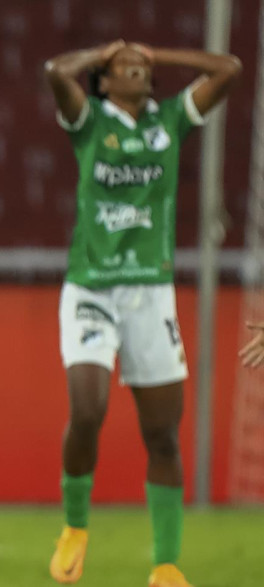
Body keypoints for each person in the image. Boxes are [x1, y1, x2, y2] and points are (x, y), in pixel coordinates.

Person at [43, 40, 240, 587]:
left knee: (162, 436)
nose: (137, 68)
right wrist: (101, 54)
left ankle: (166, 564)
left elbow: (229, 70)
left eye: (142, 67)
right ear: (103, 81)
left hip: (150, 295)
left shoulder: (170, 121)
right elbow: (55, 72)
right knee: (88, 409)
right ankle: (75, 528)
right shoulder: (87, 122)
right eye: (123, 66)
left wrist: (157, 53)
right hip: (91, 289)